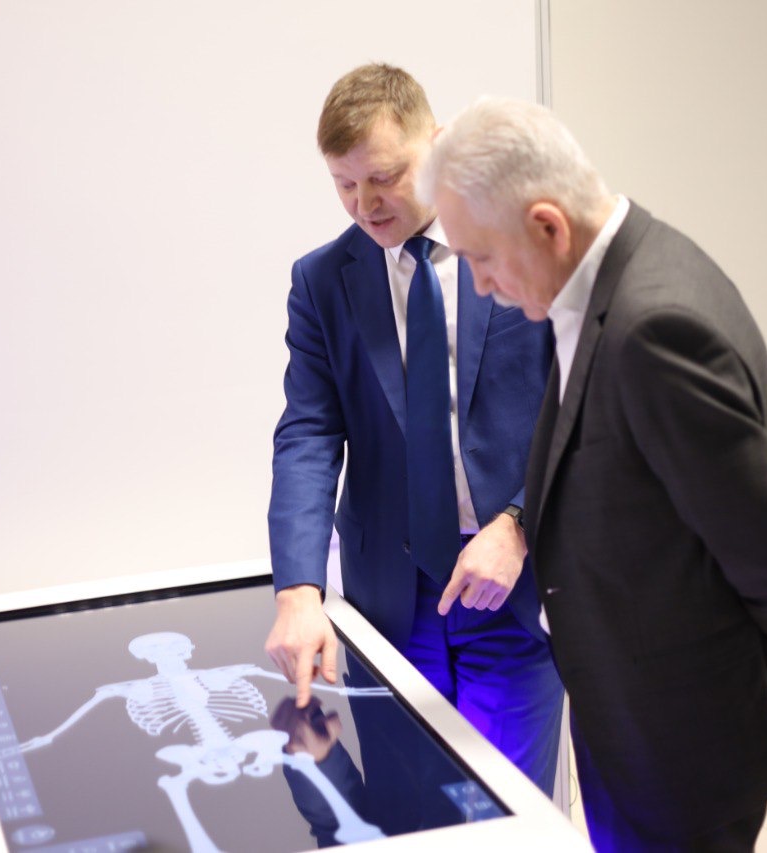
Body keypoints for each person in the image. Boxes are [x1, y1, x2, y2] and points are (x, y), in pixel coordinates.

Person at [421, 96, 767, 850]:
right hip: (627, 697)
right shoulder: (606, 279)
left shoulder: (654, 327)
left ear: (547, 225)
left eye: (481, 258)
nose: (481, 285)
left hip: (675, 733)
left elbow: (755, 523)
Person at [264, 64, 565, 797]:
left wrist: (519, 522)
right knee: (409, 804)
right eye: (344, 184)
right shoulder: (322, 281)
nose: (364, 204)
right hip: (395, 598)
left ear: (436, 144)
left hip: (514, 582)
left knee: (507, 805)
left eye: (383, 177)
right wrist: (299, 589)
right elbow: (307, 434)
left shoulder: (521, 245)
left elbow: (580, 407)